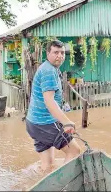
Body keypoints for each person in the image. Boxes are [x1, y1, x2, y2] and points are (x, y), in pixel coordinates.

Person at [26, 40, 81, 173]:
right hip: (45, 123)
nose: (60, 56)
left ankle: (47, 185)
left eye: (62, 52)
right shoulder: (49, 71)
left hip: (34, 123)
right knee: (74, 150)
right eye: (56, 52)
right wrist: (66, 122)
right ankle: (62, 184)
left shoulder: (47, 68)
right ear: (48, 53)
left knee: (48, 165)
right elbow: (49, 101)